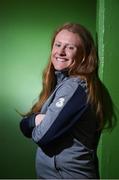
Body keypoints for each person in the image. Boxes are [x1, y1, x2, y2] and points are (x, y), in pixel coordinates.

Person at [19, 22, 112, 179]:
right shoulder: (61, 83)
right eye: (58, 45)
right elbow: (25, 126)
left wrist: (33, 121)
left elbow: (42, 136)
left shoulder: (74, 87)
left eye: (70, 47)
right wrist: (35, 120)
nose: (60, 52)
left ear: (83, 55)